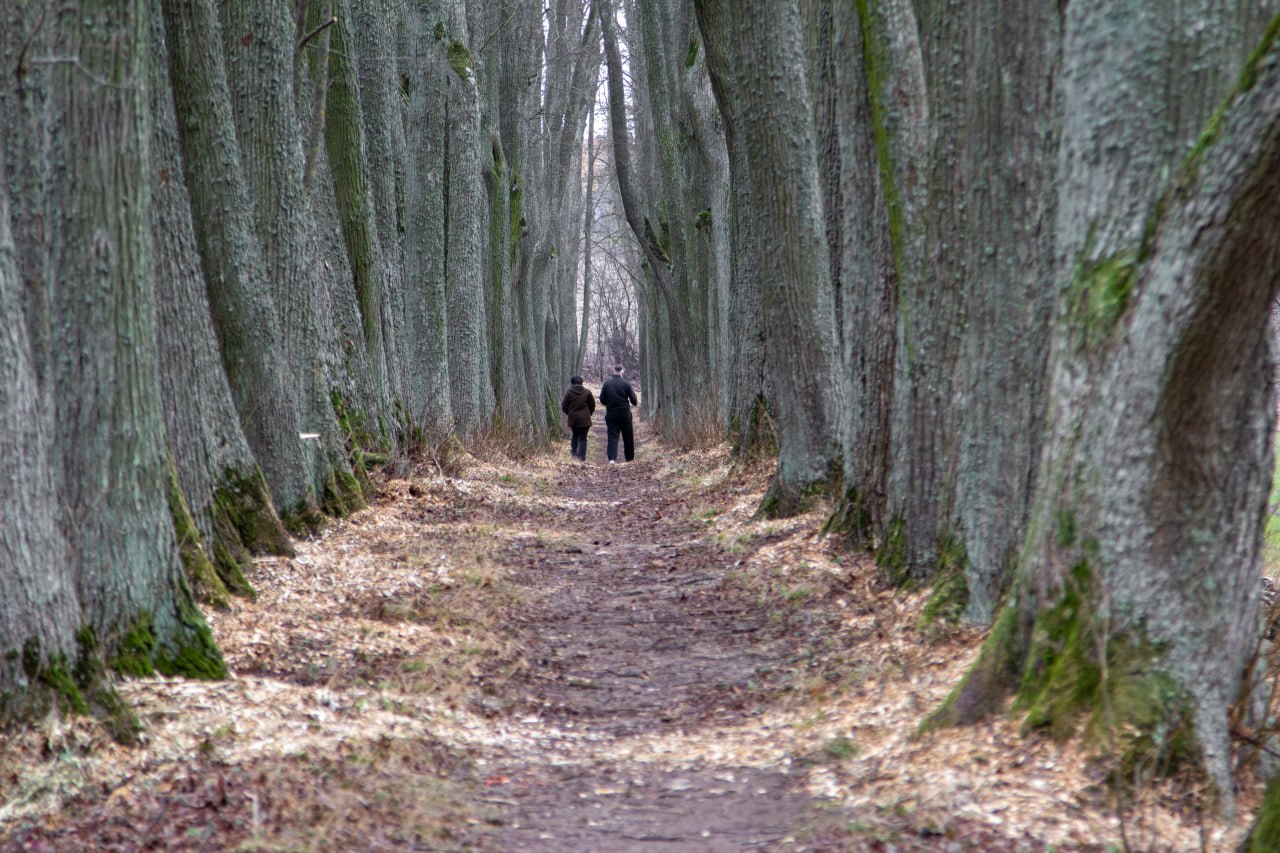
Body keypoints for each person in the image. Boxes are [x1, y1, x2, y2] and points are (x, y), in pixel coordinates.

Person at [599, 364, 638, 463]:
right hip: (625, 414)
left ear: (613, 371)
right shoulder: (626, 384)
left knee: (612, 436)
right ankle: (629, 459)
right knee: (628, 436)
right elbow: (634, 401)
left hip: (611, 414)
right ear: (622, 372)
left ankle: (612, 459)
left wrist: (609, 402)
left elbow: (602, 400)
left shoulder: (607, 384)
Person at [560, 375, 595, 461]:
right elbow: (592, 405)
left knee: (575, 435)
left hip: (573, 419)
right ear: (582, 382)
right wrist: (588, 414)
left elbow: (564, 406)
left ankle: (574, 453)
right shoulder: (587, 392)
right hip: (585, 419)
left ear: (572, 383)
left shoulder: (569, 393)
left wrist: (569, 413)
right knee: (583, 438)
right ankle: (582, 457)